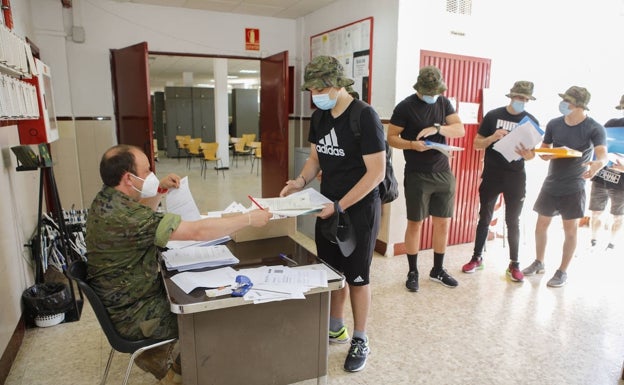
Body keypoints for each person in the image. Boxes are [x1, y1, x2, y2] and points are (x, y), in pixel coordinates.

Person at [85, 144, 271, 384]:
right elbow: (196, 231)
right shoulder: (125, 217)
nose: (152, 173)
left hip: (124, 298)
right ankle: (180, 374)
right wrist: (248, 218)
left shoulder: (106, 200)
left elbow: (144, 217)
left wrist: (159, 190)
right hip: (134, 313)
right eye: (146, 170)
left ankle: (175, 364)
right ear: (128, 179)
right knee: (214, 313)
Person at [280, 56, 385, 373]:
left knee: (356, 277)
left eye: (321, 87)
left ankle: (360, 337)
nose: (316, 93)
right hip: (327, 206)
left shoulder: (364, 117)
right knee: (330, 270)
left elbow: (376, 173)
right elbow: (316, 158)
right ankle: (336, 326)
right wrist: (299, 181)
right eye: (311, 88)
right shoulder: (320, 116)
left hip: (359, 210)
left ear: (339, 84)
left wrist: (340, 205)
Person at [387, 65, 465, 292]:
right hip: (417, 173)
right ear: (419, 88)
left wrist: (437, 128)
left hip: (443, 172)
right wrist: (412, 144)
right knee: (416, 223)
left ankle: (437, 270)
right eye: (429, 92)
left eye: (436, 92)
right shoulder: (406, 106)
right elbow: (391, 137)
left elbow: (459, 129)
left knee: (442, 223)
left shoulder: (443, 102)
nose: (433, 96)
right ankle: (413, 272)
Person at [522, 86, 608, 287]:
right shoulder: (554, 124)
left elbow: (602, 153)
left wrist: (598, 163)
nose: (563, 104)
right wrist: (545, 154)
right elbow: (544, 151)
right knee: (541, 224)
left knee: (570, 230)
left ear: (578, 105)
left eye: (567, 101)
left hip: (574, 186)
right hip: (551, 183)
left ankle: (562, 271)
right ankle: (539, 262)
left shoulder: (594, 127)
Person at [461, 81, 539, 282]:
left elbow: (532, 156)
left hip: (515, 176)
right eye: (518, 97)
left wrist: (526, 153)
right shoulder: (493, 116)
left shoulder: (531, 121)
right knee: (484, 216)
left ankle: (514, 264)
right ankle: (477, 258)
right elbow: (477, 144)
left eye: (525, 99)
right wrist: (492, 137)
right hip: (492, 173)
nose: (521, 101)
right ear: (511, 96)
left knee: (513, 221)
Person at [588, 94, 624, 251]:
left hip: (622, 181)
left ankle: (611, 244)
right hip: (602, 175)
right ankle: (593, 241)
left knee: (618, 215)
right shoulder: (611, 124)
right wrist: (595, 165)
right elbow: (599, 146)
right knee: (596, 212)